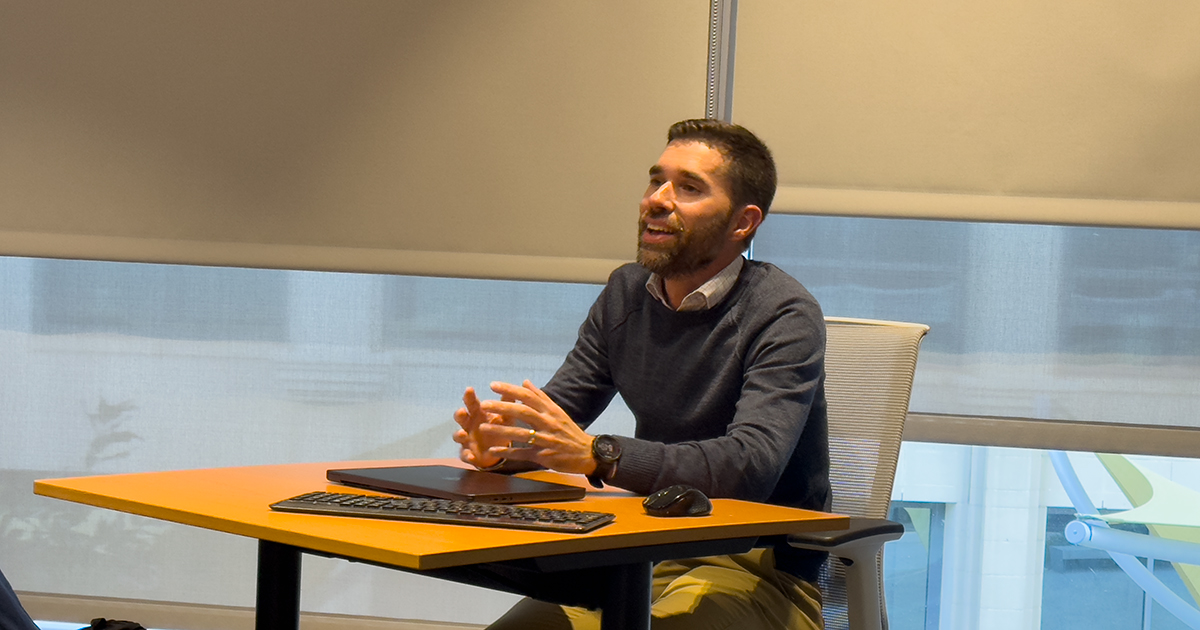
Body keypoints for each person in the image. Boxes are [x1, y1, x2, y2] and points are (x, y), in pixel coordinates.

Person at [452, 119, 829, 630]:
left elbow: (751, 464)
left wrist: (598, 455)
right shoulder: (626, 293)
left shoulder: (784, 313)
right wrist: (504, 447)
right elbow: (559, 415)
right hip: (640, 553)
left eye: (689, 188)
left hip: (755, 570)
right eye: (656, 181)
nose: (657, 198)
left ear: (743, 223)